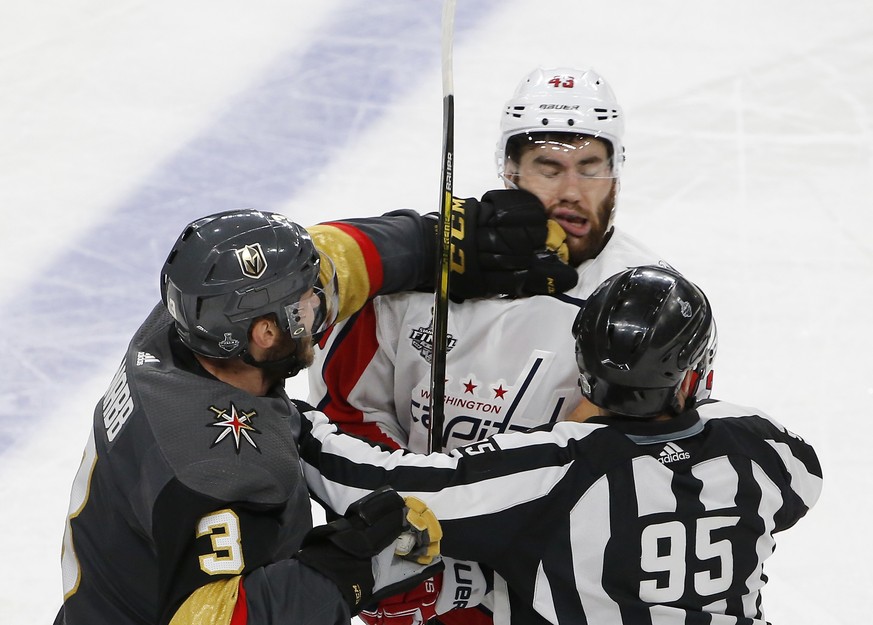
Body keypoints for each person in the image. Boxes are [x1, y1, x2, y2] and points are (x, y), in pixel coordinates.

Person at [53, 204, 567, 625]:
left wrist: (433, 243)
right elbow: (212, 620)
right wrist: (348, 565)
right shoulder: (217, 471)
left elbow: (328, 262)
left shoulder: (183, 324)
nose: (321, 307)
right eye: (305, 308)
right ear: (264, 334)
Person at [306, 66, 681, 622]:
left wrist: (480, 583)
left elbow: (639, 477)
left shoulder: (649, 308)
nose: (571, 191)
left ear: (616, 174)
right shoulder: (418, 280)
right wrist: (401, 532)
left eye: (590, 167)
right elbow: (348, 412)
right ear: (510, 171)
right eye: (548, 168)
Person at [300, 265, 823, 625]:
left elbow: (370, 484)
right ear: (691, 377)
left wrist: (295, 422)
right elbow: (801, 488)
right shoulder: (767, 449)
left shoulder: (556, 467)